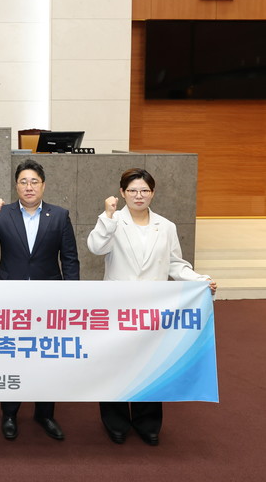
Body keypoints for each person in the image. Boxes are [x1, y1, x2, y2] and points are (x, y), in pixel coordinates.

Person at [87, 168, 217, 446]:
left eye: (144, 190)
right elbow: (96, 247)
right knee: (116, 365)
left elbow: (175, 265)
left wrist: (201, 281)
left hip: (154, 310)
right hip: (118, 308)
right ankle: (116, 421)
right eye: (132, 190)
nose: (139, 195)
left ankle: (147, 422)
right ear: (122, 193)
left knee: (151, 364)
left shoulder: (166, 226)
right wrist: (108, 216)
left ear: (153, 193)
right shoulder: (112, 221)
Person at [0, 158, 79, 441]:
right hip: (10, 300)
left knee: (46, 356)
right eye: (23, 182)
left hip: (49, 300)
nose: (29, 187)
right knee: (12, 356)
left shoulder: (59, 216)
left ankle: (45, 414)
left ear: (43, 185)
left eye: (34, 181)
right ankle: (9, 413)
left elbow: (70, 259)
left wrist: (72, 297)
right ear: (16, 186)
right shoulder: (4, 214)